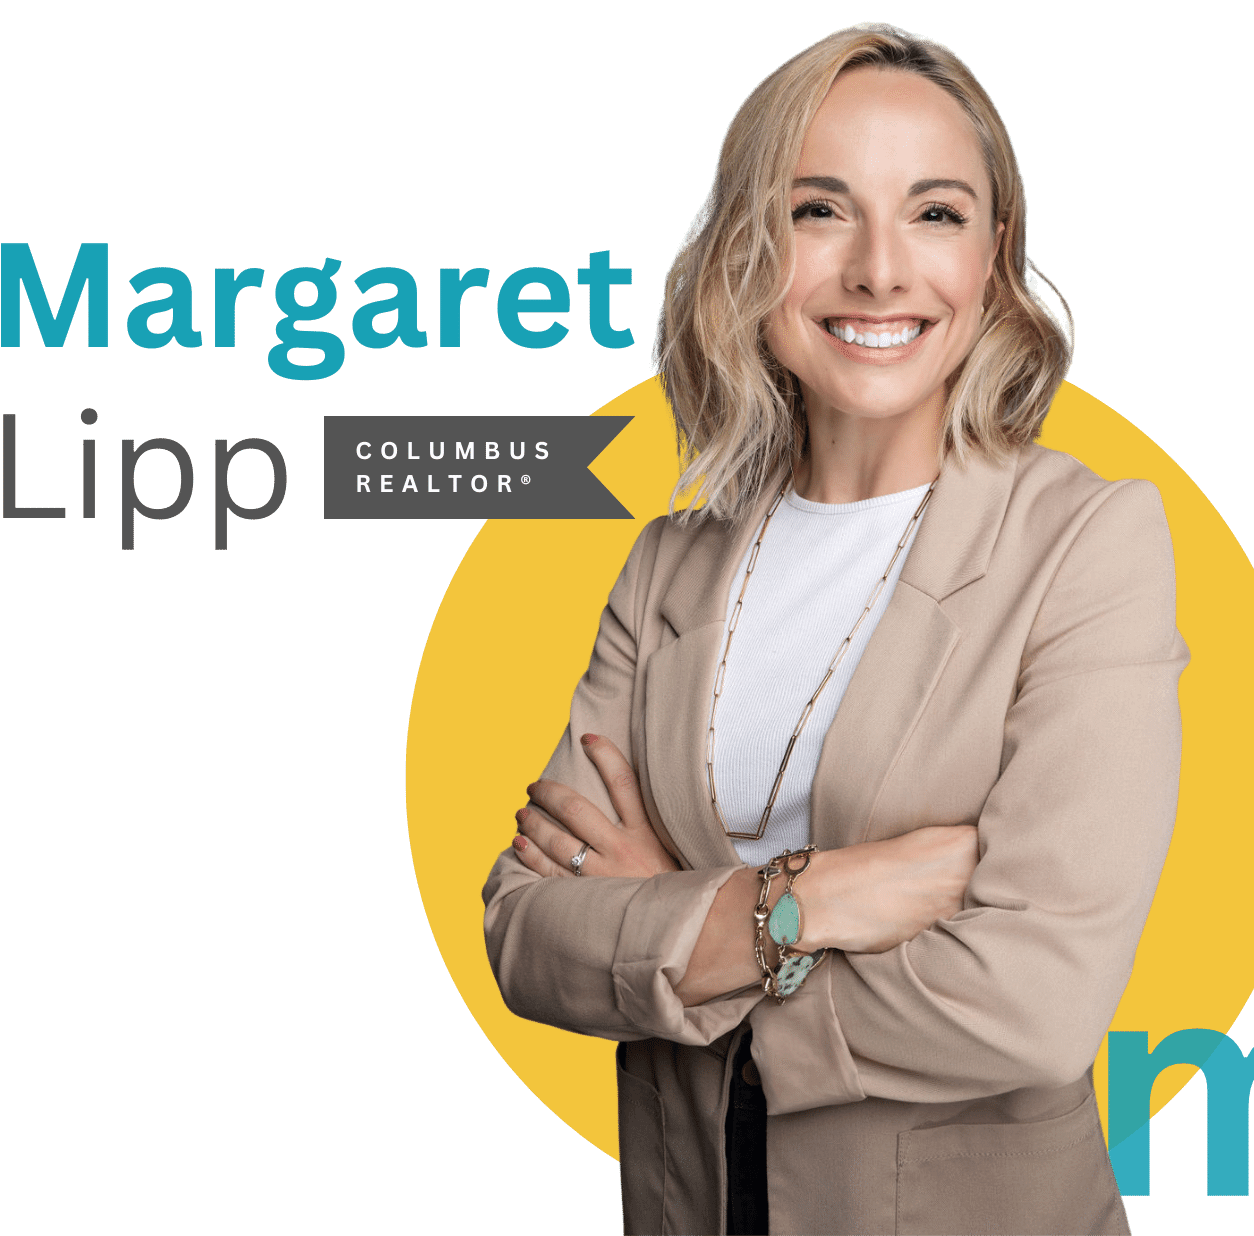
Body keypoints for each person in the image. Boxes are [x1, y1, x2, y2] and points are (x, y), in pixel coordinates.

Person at [482, 22, 1185, 1236]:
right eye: (819, 210)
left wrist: (684, 929)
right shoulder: (667, 566)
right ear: (750, 249)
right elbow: (530, 933)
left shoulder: (1086, 540)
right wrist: (818, 896)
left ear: (995, 256)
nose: (877, 271)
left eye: (934, 213)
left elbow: (1035, 1001)